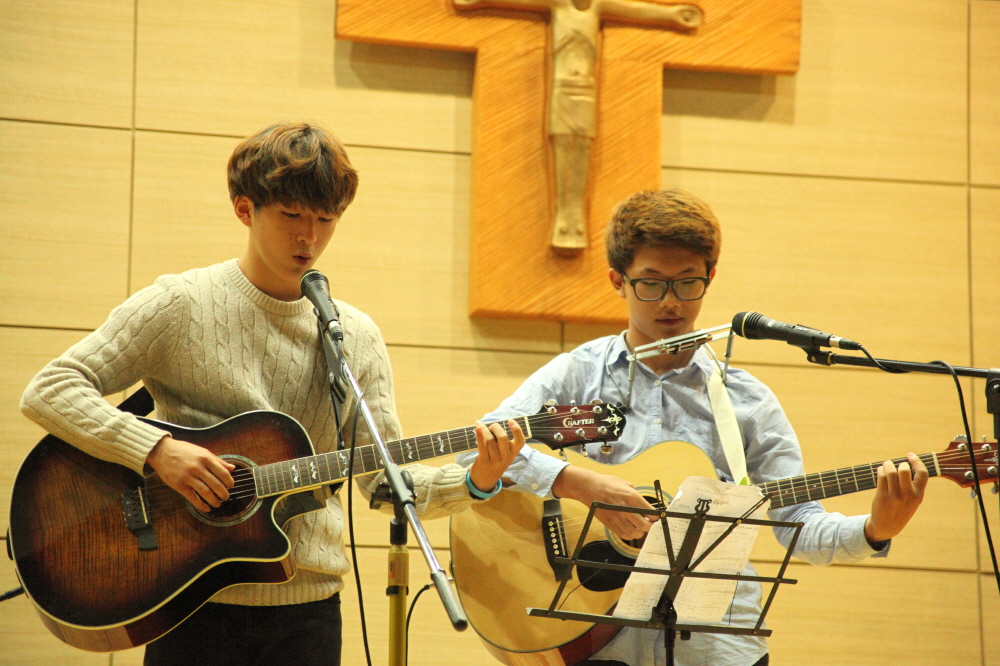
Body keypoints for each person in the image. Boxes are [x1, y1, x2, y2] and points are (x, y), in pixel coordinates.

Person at [19, 121, 523, 666]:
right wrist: (158, 451)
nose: (309, 238)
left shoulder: (354, 337)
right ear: (245, 209)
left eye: (325, 220)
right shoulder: (181, 303)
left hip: (308, 611)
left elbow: (383, 483)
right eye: (291, 216)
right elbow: (51, 388)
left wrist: (476, 480)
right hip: (187, 601)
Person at [461, 188, 928, 666]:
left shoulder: (747, 401)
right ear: (618, 281)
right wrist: (578, 482)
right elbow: (477, 448)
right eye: (651, 283)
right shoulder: (577, 374)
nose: (671, 302)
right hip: (596, 634)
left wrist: (875, 528)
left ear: (710, 277)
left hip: (716, 642)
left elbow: (798, 525)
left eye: (688, 282)